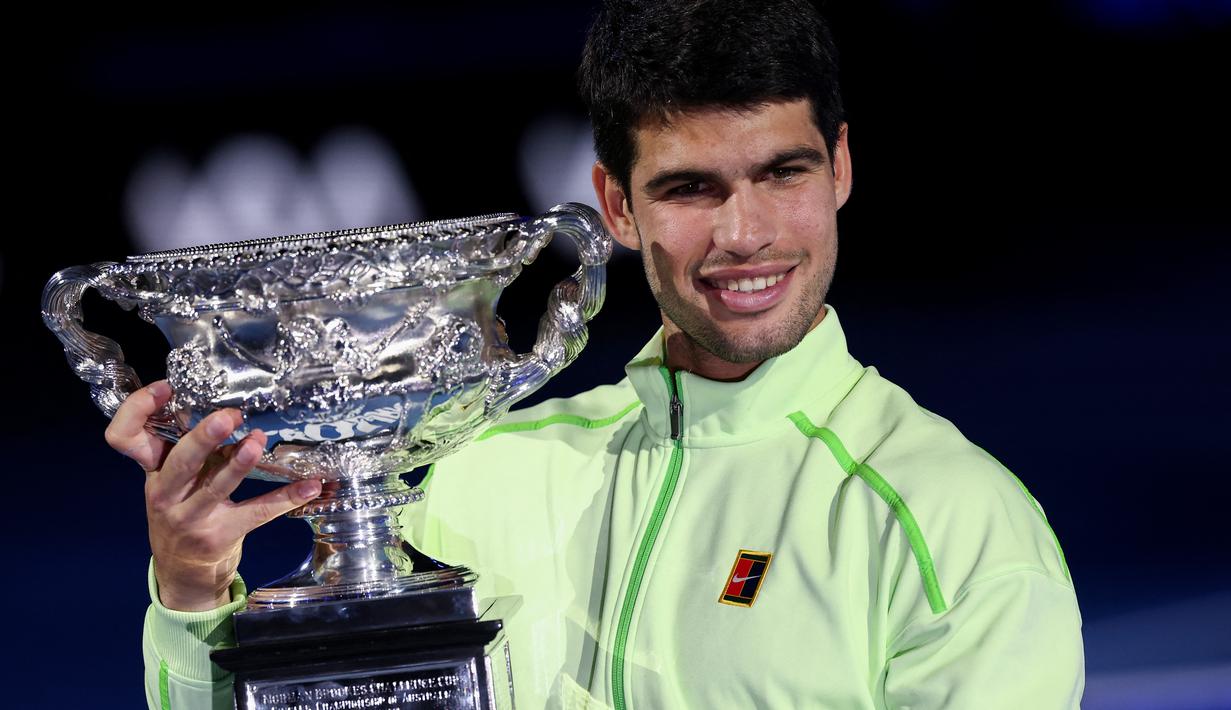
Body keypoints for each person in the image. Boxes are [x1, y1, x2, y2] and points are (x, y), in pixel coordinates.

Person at [109, 1, 1084, 708]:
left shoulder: (951, 521)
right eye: (692, 188)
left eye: (781, 173)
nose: (745, 233)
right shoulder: (475, 477)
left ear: (839, 167)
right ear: (615, 205)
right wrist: (194, 591)